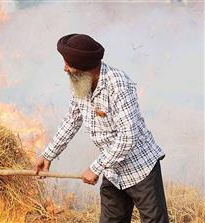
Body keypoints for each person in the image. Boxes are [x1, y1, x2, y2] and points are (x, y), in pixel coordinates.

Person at [33, 33, 169, 223]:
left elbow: (128, 137)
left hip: (141, 170)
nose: (65, 69)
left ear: (85, 68)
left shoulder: (118, 84)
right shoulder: (81, 84)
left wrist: (96, 167)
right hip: (113, 172)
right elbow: (71, 120)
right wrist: (48, 154)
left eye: (68, 64)